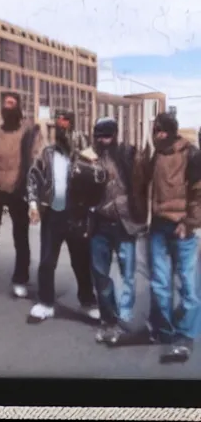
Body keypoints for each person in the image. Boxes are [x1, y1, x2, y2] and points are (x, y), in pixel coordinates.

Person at [26, 110, 100, 322]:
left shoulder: (84, 155)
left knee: (81, 262)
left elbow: (97, 181)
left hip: (77, 216)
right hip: (53, 216)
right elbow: (33, 179)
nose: (62, 126)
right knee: (47, 261)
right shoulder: (46, 154)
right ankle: (45, 302)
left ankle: (87, 302)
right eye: (58, 123)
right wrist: (33, 205)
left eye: (66, 122)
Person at [0, 92, 42, 308]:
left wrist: (33, 199)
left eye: (12, 104)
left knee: (21, 238)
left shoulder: (30, 134)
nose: (9, 107)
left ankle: (20, 279)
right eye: (5, 104)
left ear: (19, 107)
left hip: (19, 190)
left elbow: (36, 163)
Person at [143, 112, 201, 362]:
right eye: (155, 130)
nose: (157, 134)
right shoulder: (156, 153)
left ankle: (185, 335)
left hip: (181, 228)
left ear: (172, 131)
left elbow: (198, 192)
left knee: (187, 285)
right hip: (157, 226)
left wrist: (189, 223)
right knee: (159, 282)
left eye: (161, 130)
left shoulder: (191, 154)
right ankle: (163, 330)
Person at [88, 117, 146, 345]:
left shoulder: (129, 154)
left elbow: (142, 184)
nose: (103, 140)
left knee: (128, 275)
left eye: (107, 136)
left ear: (115, 135)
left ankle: (124, 318)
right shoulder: (87, 157)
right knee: (101, 277)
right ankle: (108, 320)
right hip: (98, 225)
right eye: (99, 136)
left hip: (124, 224)